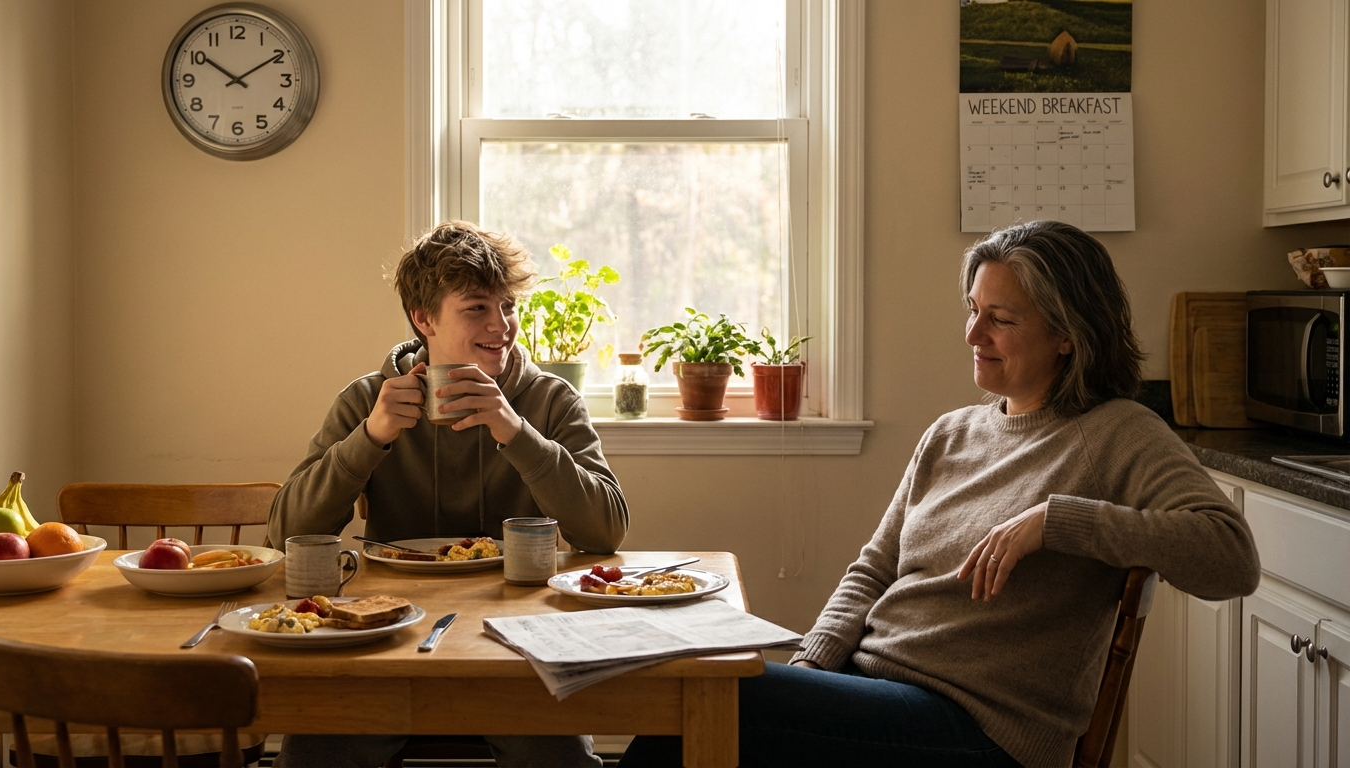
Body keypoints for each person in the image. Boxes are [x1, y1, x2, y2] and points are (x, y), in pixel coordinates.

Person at [618, 220, 1261, 768]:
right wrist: (813, 666)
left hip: (978, 729)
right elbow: (874, 569)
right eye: (973, 310)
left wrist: (1056, 521)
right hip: (874, 688)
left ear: (1069, 334)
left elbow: (1232, 557)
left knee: (698, 704)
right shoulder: (952, 433)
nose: (974, 334)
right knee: (694, 697)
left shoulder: (1117, 432)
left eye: (1001, 319)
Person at [269, 220, 629, 768]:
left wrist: (517, 432)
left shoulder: (551, 400)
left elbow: (606, 532)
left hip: (518, 639)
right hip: (387, 635)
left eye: (508, 306)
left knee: (556, 757)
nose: (501, 325)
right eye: (477, 308)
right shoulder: (367, 400)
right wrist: (370, 438)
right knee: (315, 754)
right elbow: (283, 534)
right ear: (424, 318)